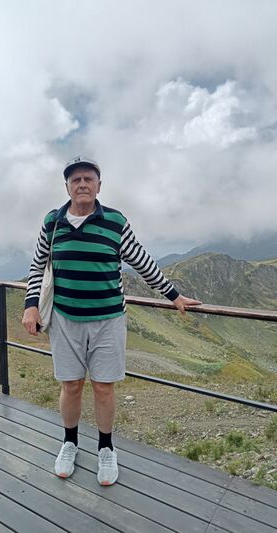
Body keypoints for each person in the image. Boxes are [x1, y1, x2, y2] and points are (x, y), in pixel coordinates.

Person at [22, 155, 201, 486]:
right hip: (65, 319)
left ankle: (106, 448)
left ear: (99, 185)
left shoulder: (115, 222)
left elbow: (142, 262)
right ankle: (70, 443)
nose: (82, 184)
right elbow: (37, 267)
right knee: (71, 385)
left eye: (88, 178)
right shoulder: (52, 222)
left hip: (108, 320)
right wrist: (30, 306)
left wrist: (174, 295)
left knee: (103, 387)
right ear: (67, 187)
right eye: (75, 180)